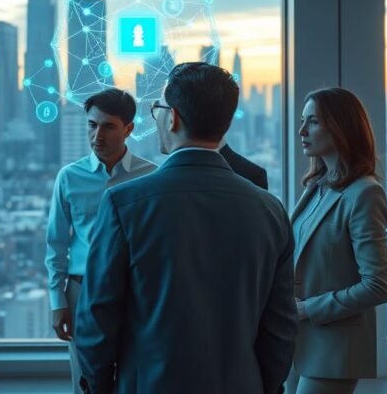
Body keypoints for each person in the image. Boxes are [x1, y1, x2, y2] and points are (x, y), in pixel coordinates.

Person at [75, 62, 296, 394]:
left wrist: (99, 387)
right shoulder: (269, 210)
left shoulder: (123, 204)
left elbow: (97, 318)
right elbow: (279, 327)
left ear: (173, 117)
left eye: (158, 109)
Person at [44, 88, 156, 393]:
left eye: (108, 126)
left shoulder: (151, 177)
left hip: (135, 293)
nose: (97, 135)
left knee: (134, 377)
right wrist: (57, 302)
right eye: (92, 125)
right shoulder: (69, 177)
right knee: (86, 380)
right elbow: (56, 245)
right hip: (81, 292)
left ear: (129, 129)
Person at [287, 87, 387, 394]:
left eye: (314, 122)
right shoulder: (317, 187)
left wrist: (307, 309)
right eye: (304, 120)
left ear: (341, 126)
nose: (302, 130)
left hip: (335, 346)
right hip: (299, 342)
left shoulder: (364, 193)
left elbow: (377, 286)